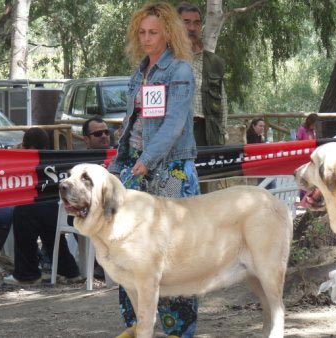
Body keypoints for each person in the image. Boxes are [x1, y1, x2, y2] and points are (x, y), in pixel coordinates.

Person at [108, 3, 199, 337]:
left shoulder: (180, 71)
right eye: (142, 32)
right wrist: (120, 165)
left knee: (178, 258)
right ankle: (136, 328)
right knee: (130, 253)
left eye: (153, 33)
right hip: (135, 170)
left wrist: (146, 161)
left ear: (168, 34)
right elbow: (130, 124)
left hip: (170, 171)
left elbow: (174, 124)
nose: (146, 39)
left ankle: (179, 331)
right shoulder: (139, 71)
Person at [3, 127, 81, 286]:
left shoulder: (27, 160)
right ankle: (69, 270)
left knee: (23, 211)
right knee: (48, 226)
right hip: (63, 210)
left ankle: (27, 273)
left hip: (47, 209)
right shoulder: (56, 158)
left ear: (29, 147)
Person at [177, 2, 228, 146]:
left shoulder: (214, 62)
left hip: (206, 135)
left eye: (196, 23)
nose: (192, 28)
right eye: (186, 22)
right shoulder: (165, 60)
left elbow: (222, 102)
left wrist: (222, 135)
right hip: (174, 136)